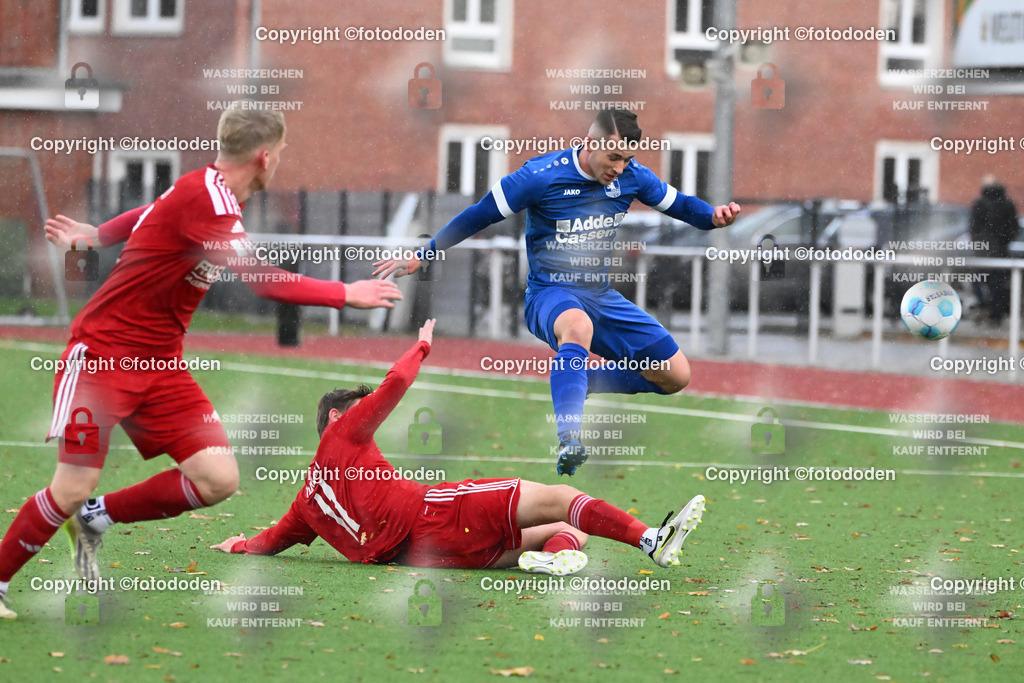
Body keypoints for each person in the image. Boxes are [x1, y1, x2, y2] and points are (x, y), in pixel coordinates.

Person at [0, 108, 401, 620]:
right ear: (264, 157)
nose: (281, 161)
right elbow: (263, 280)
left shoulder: (209, 194)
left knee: (216, 478)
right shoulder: (208, 198)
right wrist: (346, 293)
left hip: (160, 367)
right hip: (102, 357)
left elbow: (150, 212)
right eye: (281, 153)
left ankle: (95, 517)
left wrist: (97, 236)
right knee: (72, 485)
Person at [373, 110, 740, 476]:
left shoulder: (633, 176)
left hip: (600, 296)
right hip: (550, 295)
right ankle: (569, 438)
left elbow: (680, 205)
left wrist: (713, 216)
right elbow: (479, 214)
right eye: (614, 157)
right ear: (590, 143)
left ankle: (579, 382)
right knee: (577, 327)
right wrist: (426, 252)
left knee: (675, 374)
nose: (619, 167)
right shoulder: (540, 175)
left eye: (627, 159)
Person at [211, 320, 706, 577]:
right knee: (560, 498)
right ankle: (651, 540)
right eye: (360, 411)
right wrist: (423, 344)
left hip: (426, 556)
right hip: (436, 513)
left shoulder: (305, 503)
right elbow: (396, 382)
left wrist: (236, 545)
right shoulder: (342, 433)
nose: (369, 419)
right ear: (338, 418)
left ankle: (554, 557)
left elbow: (269, 541)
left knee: (567, 530)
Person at [969, 175, 1019, 325]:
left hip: (983, 252)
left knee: (977, 279)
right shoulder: (1007, 203)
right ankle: (996, 315)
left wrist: (980, 243)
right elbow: (1013, 228)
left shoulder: (980, 203)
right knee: (998, 285)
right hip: (1000, 252)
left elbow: (973, 228)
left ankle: (985, 306)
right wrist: (1002, 242)